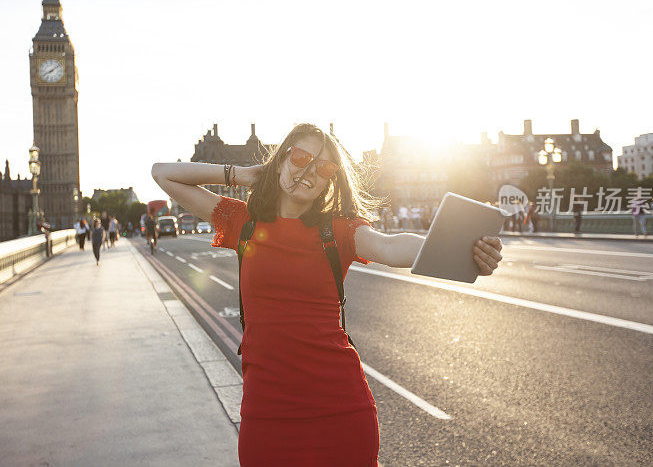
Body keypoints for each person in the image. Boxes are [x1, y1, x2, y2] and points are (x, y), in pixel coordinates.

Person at [151, 123, 503, 466]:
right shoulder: (243, 222)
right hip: (266, 415)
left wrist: (463, 250)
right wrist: (243, 174)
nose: (310, 172)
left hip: (341, 410)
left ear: (330, 180)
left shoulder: (337, 230)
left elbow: (391, 246)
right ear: (283, 159)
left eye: (324, 167)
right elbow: (162, 174)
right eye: (301, 158)